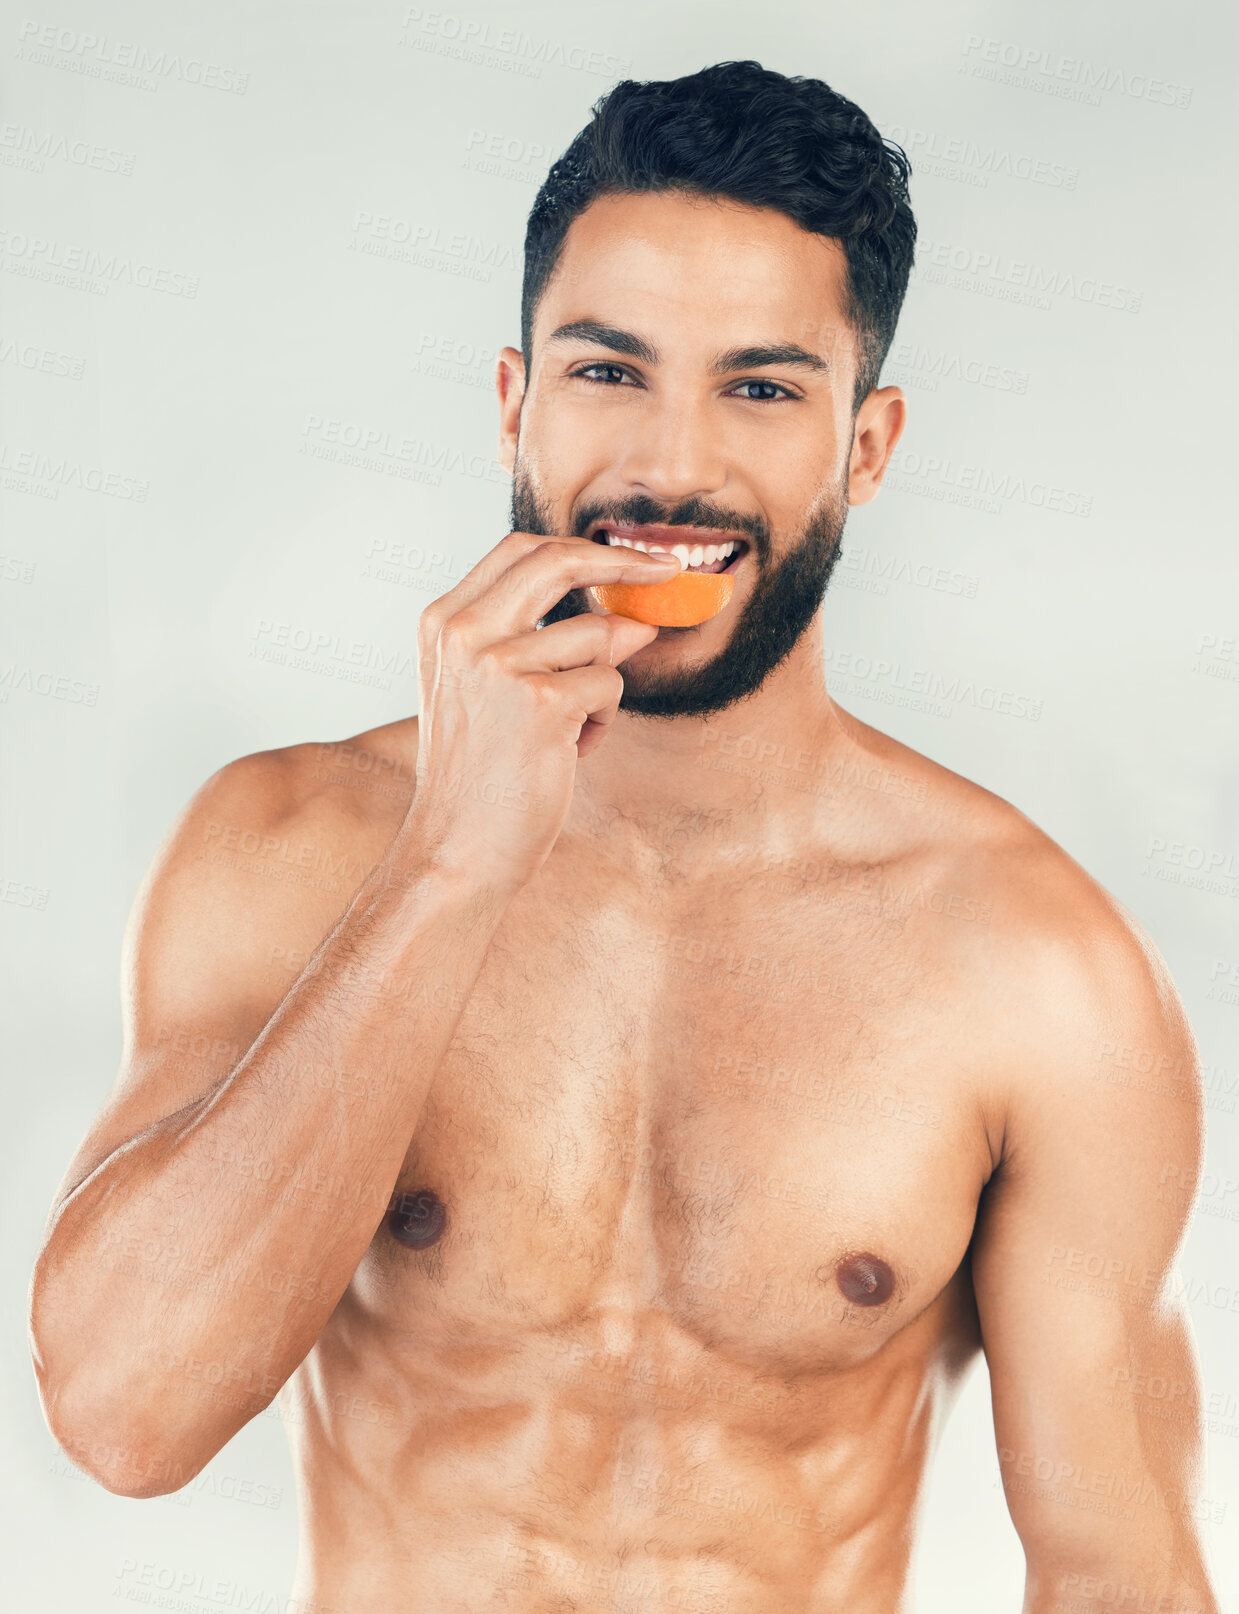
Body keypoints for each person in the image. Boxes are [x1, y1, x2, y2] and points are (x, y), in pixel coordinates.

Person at [30, 61, 1219, 1614]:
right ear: (519, 400)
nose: (674, 464)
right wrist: (453, 857)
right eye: (610, 371)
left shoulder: (1038, 969)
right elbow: (124, 1415)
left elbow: (1118, 1568)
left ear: (866, 447)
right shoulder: (293, 847)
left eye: (764, 386)